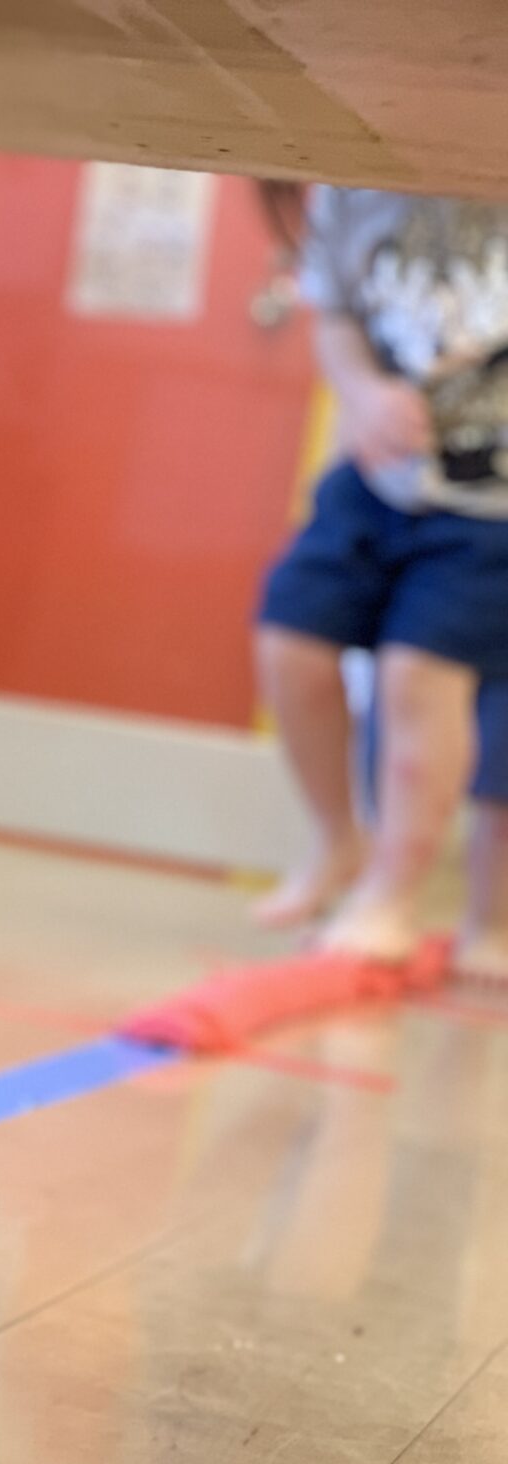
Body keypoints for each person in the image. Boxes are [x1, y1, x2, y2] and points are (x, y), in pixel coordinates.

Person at [254, 188, 508, 975]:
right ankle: (340, 841)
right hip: (379, 477)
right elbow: (336, 318)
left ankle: (395, 894)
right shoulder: (356, 190)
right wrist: (363, 393)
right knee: (291, 638)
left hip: (490, 506)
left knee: (417, 675)